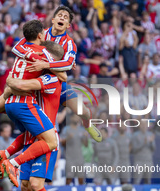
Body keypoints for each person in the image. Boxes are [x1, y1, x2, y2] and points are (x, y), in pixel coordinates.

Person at [0, 41, 64, 191]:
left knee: (35, 184)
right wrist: (9, 90)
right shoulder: (35, 80)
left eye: (39, 58)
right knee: (25, 187)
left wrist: (11, 81)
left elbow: (23, 85)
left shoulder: (51, 79)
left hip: (45, 140)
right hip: (30, 140)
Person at [12, 5, 102, 143]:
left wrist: (46, 64)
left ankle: (88, 124)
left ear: (68, 25)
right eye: (60, 15)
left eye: (65, 17)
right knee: (39, 126)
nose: (62, 18)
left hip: (59, 83)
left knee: (83, 111)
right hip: (38, 82)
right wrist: (36, 58)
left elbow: (67, 64)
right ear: (53, 19)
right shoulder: (41, 33)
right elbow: (17, 47)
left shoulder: (70, 43)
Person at [0, 20, 65, 187]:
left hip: (10, 102)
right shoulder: (43, 55)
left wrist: (10, 82)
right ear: (40, 35)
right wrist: (57, 64)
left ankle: (5, 153)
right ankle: (13, 163)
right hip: (25, 103)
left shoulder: (20, 48)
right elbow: (63, 75)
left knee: (31, 134)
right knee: (52, 141)